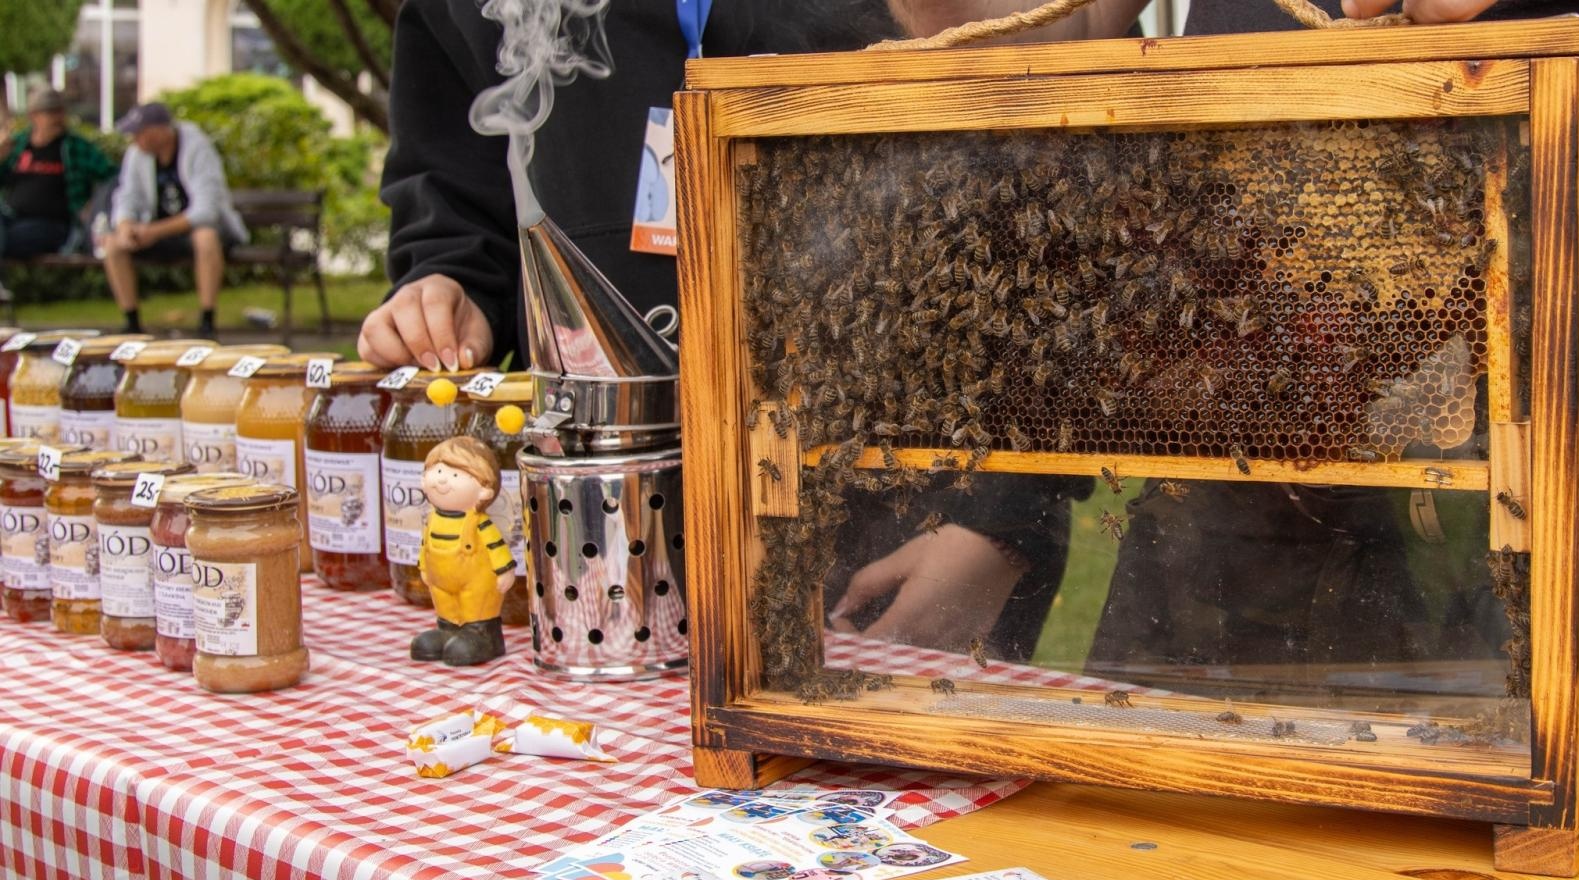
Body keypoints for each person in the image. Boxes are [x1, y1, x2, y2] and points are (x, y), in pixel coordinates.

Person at [365, 1, 1109, 662]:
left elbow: (1046, 177)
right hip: (600, 539)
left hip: (919, 514)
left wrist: (1002, 515)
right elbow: (456, 197)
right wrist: (450, 283)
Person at [103, 102, 247, 339]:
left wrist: (154, 231)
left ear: (160, 131)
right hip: (155, 230)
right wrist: (125, 225)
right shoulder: (137, 153)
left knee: (205, 237)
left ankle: (207, 323)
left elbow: (206, 211)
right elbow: (127, 195)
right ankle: (131, 323)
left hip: (196, 230)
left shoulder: (197, 148)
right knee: (113, 245)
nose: (134, 139)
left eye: (140, 133)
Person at [0, 87, 117, 301]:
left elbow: (114, 178)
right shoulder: (17, 146)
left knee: (12, 238)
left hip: (53, 226)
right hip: (11, 218)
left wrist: (96, 206)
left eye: (60, 111)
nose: (58, 118)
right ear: (33, 116)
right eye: (51, 112)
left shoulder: (75, 147)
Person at [411, 436, 517, 666]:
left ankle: (482, 635)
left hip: (477, 582)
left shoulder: (479, 523)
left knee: (475, 606)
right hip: (441, 582)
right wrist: (424, 568)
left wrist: (505, 571)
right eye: (438, 471)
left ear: (484, 491)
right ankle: (448, 630)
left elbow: (496, 547)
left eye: (455, 475)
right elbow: (425, 546)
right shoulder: (433, 519)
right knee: (445, 605)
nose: (442, 480)